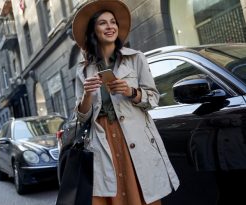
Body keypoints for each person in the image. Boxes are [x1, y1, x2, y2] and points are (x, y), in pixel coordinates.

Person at [71, 1, 180, 204]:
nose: (110, 26)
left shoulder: (135, 59)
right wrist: (87, 94)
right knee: (111, 194)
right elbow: (81, 116)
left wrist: (130, 91)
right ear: (93, 30)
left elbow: (154, 99)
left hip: (134, 136)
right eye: (103, 23)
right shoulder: (83, 70)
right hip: (102, 141)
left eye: (113, 22)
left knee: (139, 193)